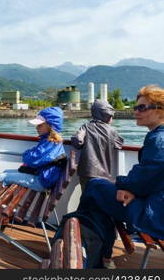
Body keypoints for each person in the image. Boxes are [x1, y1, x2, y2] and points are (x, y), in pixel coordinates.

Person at [56, 85, 164, 268]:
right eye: (135, 107)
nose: (135, 111)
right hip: (152, 202)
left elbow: (148, 174)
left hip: (154, 215)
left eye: (141, 107)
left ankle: (88, 248)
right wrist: (131, 189)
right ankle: (96, 253)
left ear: (161, 111)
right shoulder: (155, 137)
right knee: (98, 195)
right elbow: (150, 177)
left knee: (95, 189)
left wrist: (124, 185)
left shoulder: (159, 140)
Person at [0, 107, 66, 226]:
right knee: (6, 172)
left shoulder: (50, 143)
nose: (37, 127)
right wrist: (30, 155)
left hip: (42, 182)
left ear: (50, 125)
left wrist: (26, 154)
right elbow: (36, 157)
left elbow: (32, 159)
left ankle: (2, 216)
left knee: (0, 177)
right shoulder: (51, 140)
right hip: (45, 178)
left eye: (40, 125)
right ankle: (6, 211)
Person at [71, 100, 124, 192]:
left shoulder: (86, 126)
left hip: (86, 171)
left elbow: (77, 140)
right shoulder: (112, 131)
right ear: (107, 116)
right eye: (111, 116)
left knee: (85, 197)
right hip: (104, 174)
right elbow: (119, 144)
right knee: (99, 199)